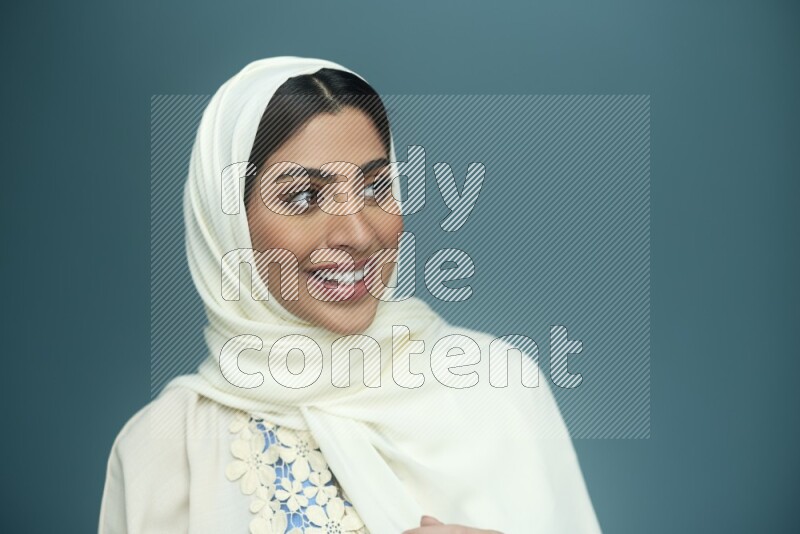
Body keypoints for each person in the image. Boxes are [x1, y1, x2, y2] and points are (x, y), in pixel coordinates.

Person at [99, 56, 602, 534]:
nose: (359, 234)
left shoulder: (498, 387)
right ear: (226, 223)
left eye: (375, 186)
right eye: (303, 197)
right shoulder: (164, 449)